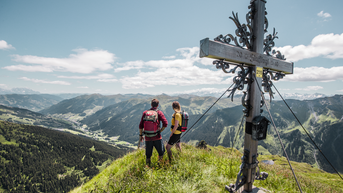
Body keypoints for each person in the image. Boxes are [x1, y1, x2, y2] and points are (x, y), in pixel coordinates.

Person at [139, 98, 168, 166]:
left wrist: (141, 135)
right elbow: (165, 123)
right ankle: (160, 166)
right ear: (157, 105)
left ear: (151, 105)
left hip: (148, 137)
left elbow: (140, 125)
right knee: (161, 153)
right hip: (157, 137)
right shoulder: (159, 112)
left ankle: (147, 167)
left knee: (148, 155)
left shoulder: (145, 113)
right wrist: (160, 130)